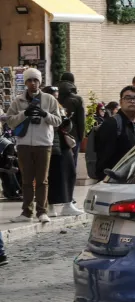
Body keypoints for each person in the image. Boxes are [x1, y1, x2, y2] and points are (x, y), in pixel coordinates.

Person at [4, 68, 63, 223]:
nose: (33, 83)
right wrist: (25, 113)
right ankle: (26, 212)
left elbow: (58, 121)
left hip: (44, 144)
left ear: (40, 82)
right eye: (29, 80)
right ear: (25, 83)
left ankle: (42, 211)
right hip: (24, 144)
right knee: (26, 180)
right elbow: (10, 121)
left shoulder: (49, 99)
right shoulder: (18, 101)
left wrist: (44, 114)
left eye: (35, 80)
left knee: (42, 180)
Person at [93, 85, 135, 180]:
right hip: (116, 179)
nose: (132, 101)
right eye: (127, 98)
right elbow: (103, 157)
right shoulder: (112, 124)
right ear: (121, 102)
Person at [44, 85, 81, 217]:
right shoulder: (44, 108)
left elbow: (66, 126)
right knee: (53, 175)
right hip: (51, 144)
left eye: (56, 96)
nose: (55, 99)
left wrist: (66, 122)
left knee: (69, 172)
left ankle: (68, 203)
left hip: (63, 144)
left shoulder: (60, 107)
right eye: (53, 96)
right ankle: (50, 205)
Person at [56, 72, 86, 172]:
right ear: (73, 82)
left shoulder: (53, 96)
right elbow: (81, 121)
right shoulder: (77, 99)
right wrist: (81, 137)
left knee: (57, 164)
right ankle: (70, 181)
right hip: (73, 136)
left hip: (55, 135)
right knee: (72, 164)